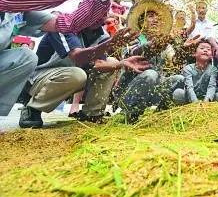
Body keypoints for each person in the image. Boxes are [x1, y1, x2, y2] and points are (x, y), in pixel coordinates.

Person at [0, 0, 123, 116]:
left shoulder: (19, 11)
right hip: (42, 76)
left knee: (25, 56)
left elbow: (67, 24)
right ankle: (32, 106)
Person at [18, 27, 147, 128]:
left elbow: (99, 63)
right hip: (41, 77)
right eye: (96, 10)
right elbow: (78, 57)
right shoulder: (64, 27)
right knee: (77, 74)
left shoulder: (102, 35)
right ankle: (33, 108)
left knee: (111, 62)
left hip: (70, 77)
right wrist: (111, 45)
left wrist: (121, 63)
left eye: (104, 13)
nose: (101, 17)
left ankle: (92, 113)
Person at [173, 39, 218, 104]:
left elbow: (211, 86)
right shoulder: (188, 68)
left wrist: (207, 101)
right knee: (178, 93)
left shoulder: (213, 69)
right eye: (202, 48)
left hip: (206, 99)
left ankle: (209, 108)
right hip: (190, 98)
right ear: (194, 53)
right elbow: (189, 87)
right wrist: (195, 102)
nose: (205, 50)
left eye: (208, 49)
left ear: (211, 56)